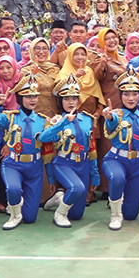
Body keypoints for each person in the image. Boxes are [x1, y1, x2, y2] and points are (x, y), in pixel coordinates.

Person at [0, 73, 49, 230]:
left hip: (35, 167)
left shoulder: (43, 120)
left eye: (35, 96)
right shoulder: (11, 117)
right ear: (20, 98)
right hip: (13, 163)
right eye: (28, 96)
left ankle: (18, 206)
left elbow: (51, 139)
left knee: (30, 218)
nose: (33, 99)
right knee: (13, 189)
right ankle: (14, 214)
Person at [40, 74, 99, 228]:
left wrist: (95, 174)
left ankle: (60, 198)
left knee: (76, 215)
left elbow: (91, 148)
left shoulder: (87, 119)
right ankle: (59, 214)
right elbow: (44, 138)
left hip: (83, 164)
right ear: (61, 101)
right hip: (63, 163)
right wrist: (64, 122)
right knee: (76, 188)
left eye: (74, 98)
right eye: (66, 99)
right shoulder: (56, 120)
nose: (71, 102)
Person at [101, 71, 139, 230]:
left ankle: (118, 198)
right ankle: (115, 214)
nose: (130, 98)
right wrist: (108, 117)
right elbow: (111, 124)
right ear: (120, 95)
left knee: (131, 215)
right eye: (126, 94)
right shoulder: (116, 114)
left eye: (134, 94)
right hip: (116, 160)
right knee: (117, 178)